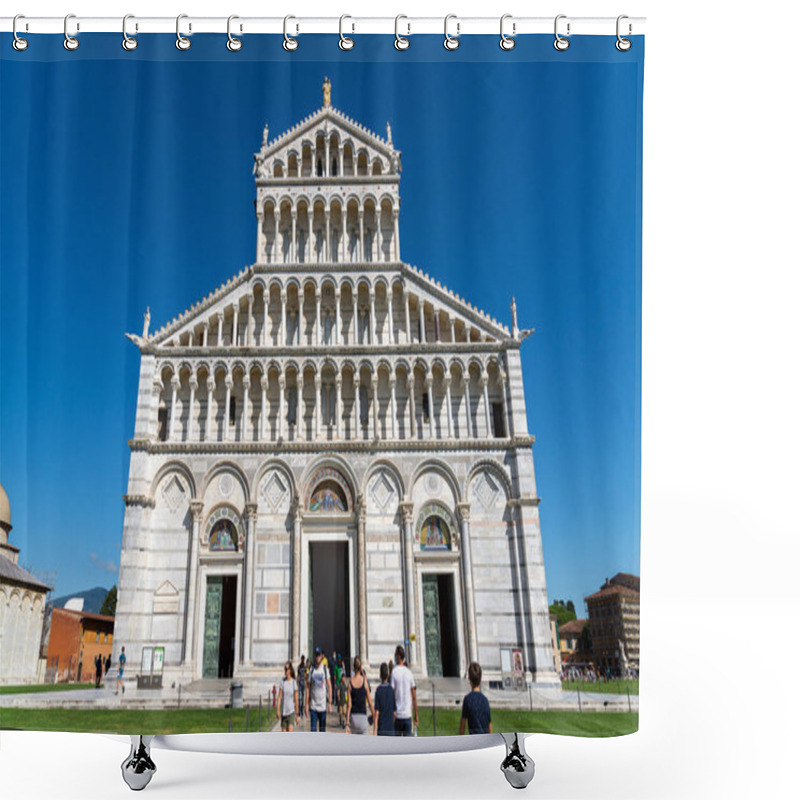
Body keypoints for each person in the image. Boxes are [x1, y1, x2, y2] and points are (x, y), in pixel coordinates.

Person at [390, 645, 418, 736]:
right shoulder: (409, 673)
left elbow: (391, 695)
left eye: (395, 654)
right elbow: (414, 696)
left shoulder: (394, 672)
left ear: (398, 656)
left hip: (397, 715)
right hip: (407, 715)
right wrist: (416, 715)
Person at [459, 662, 492, 735]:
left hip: (474, 739)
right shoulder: (485, 700)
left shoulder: (468, 700)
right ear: (480, 680)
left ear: (469, 680)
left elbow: (463, 724)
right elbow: (489, 724)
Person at [346, 655, 374, 735]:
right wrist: (373, 714)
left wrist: (347, 724)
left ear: (353, 667)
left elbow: (349, 705)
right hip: (363, 717)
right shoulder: (364, 681)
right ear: (361, 667)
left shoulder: (350, 683)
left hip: (354, 718)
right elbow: (370, 702)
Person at [306, 647, 332, 732]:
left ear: (322, 656)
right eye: (316, 655)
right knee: (313, 733)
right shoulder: (311, 669)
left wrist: (330, 704)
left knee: (322, 733)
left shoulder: (325, 670)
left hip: (322, 706)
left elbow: (329, 686)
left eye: (319, 655)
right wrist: (306, 705)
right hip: (313, 707)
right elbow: (308, 687)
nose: (317, 657)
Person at [373, 662, 396, 736]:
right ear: (388, 675)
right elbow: (394, 713)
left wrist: (374, 731)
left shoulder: (378, 690)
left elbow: (376, 713)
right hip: (390, 728)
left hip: (382, 728)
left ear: (380, 675)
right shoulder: (391, 691)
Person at [276, 661, 298, 732]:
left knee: (290, 733)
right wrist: (278, 710)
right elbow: (279, 697)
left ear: (290, 670)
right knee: (284, 735)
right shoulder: (283, 682)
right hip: (284, 712)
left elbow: (296, 699)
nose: (285, 671)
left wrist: (297, 715)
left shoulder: (294, 682)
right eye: (284, 669)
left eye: (286, 669)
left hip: (291, 711)